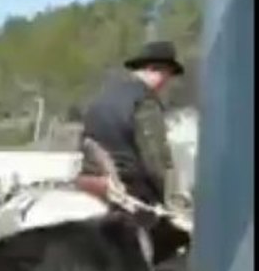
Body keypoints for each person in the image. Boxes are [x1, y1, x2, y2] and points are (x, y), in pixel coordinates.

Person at [80, 40, 187, 211]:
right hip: (129, 191)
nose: (167, 82)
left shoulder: (101, 98)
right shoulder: (145, 102)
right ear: (154, 70)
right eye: (167, 74)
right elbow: (155, 158)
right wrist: (169, 200)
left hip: (90, 185)